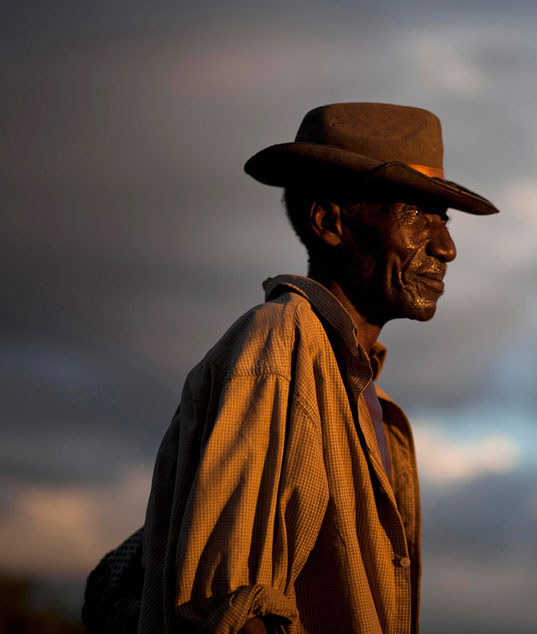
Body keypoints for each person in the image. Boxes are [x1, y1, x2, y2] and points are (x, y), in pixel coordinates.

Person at [85, 102, 499, 634]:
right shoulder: (276, 348)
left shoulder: (369, 400)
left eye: (442, 218)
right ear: (329, 222)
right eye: (417, 214)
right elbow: (230, 610)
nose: (447, 247)